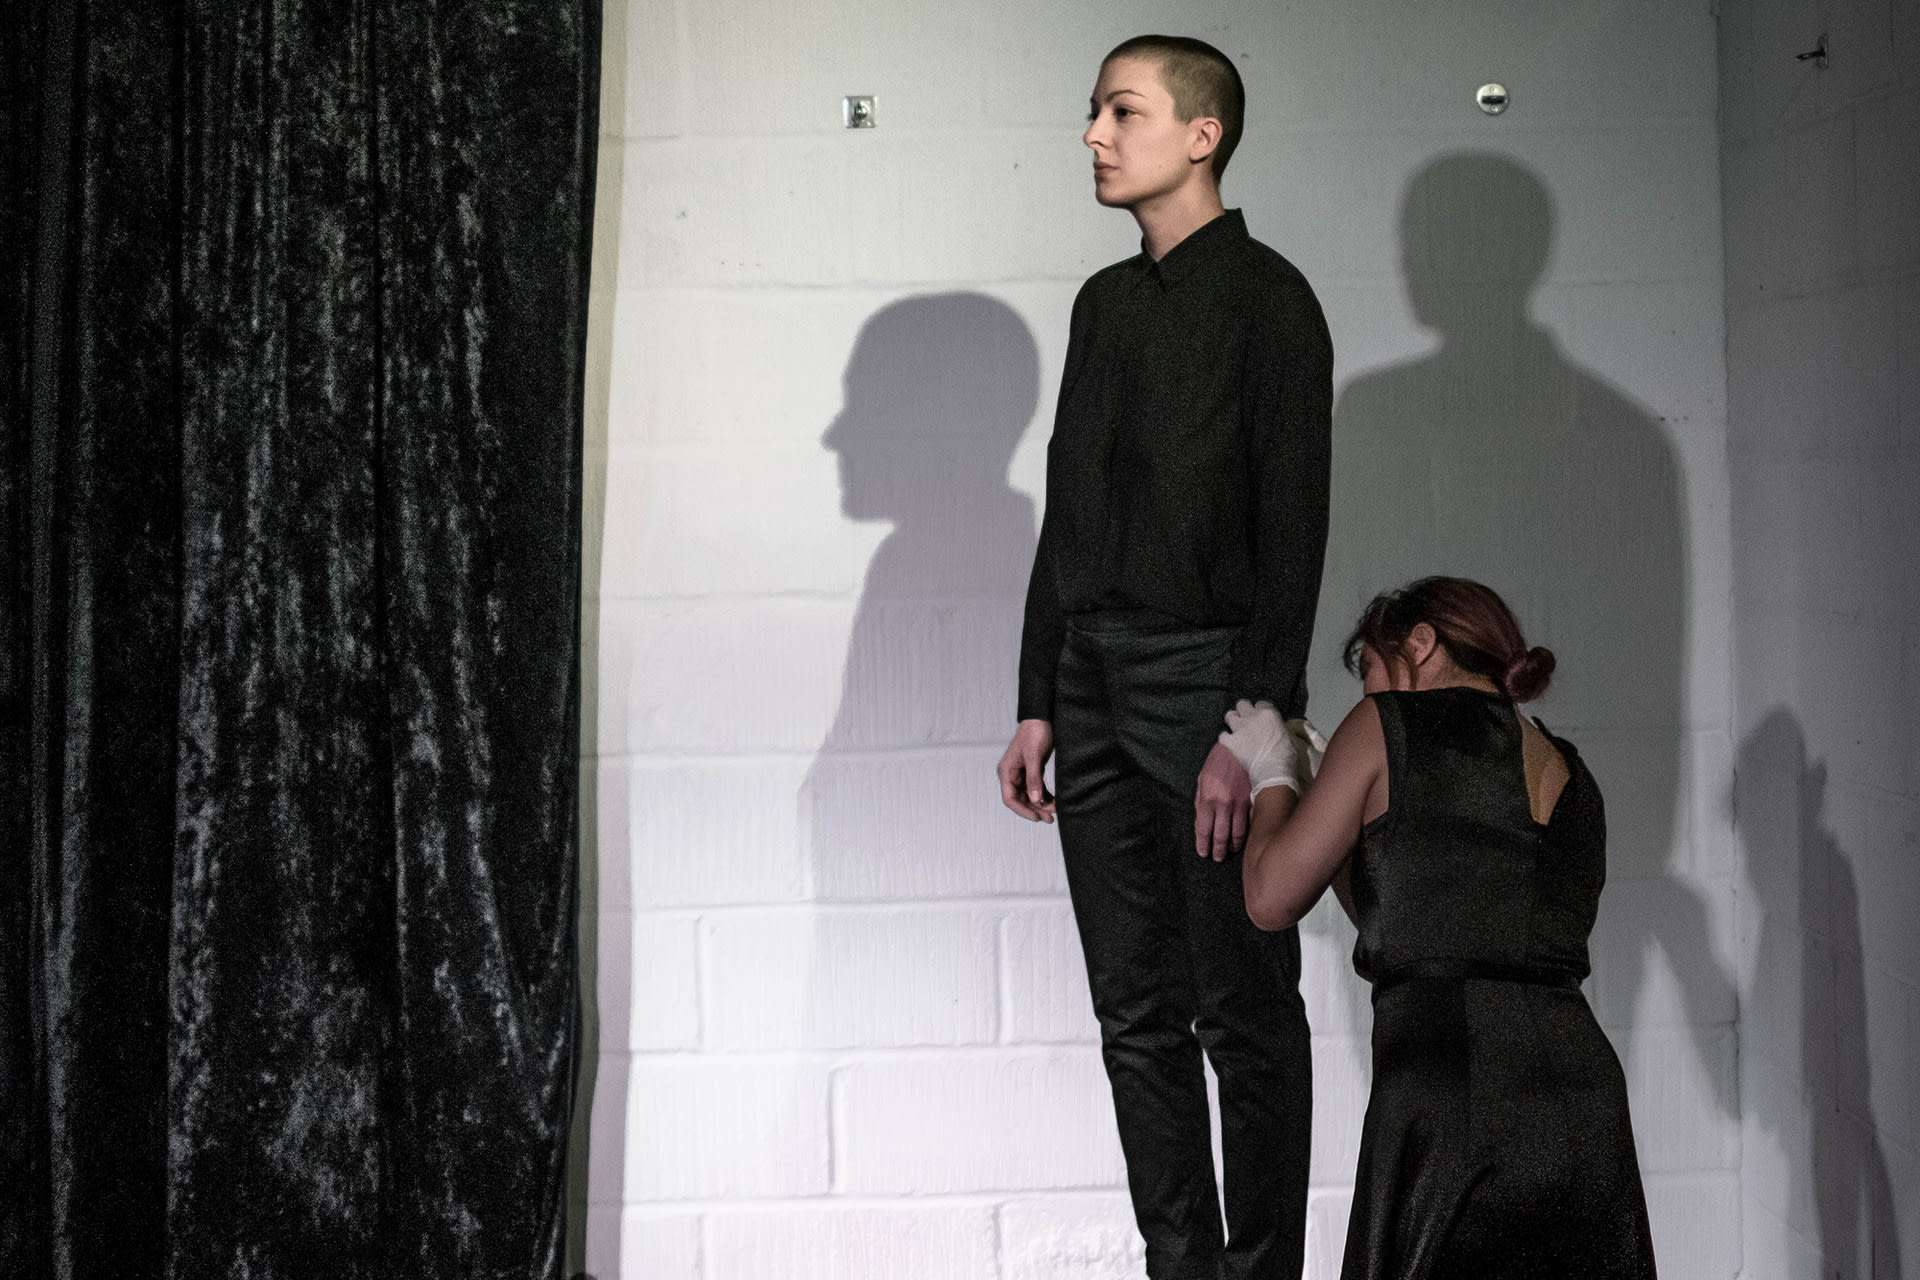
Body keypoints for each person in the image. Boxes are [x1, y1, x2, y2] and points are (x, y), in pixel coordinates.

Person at [995, 33, 1332, 1280]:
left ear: (1202, 135)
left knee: (1241, 1010)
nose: (1093, 133)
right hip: (1088, 684)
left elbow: (1293, 537)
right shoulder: (1103, 302)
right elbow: (1066, 511)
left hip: (1208, 684)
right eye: (1094, 111)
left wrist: (1253, 732)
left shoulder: (1273, 303)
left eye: (1121, 112)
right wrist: (1037, 699)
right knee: (1134, 1018)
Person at [1224, 576, 1658, 1279]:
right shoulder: (1573, 773)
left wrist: (1276, 776)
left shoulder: (1387, 725)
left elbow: (1269, 897)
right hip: (1583, 1103)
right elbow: (1422, 921)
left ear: (1419, 644)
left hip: (1449, 1093)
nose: (1367, 696)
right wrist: (1338, 823)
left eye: (1370, 670)